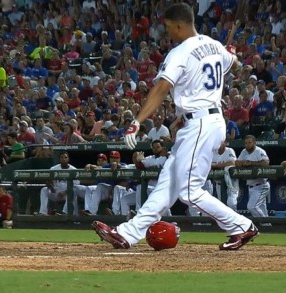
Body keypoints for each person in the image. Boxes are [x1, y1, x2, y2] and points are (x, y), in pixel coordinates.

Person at [92, 3, 258, 251]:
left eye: (169, 27)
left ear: (180, 25)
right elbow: (231, 62)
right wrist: (230, 52)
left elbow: (161, 89)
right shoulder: (214, 45)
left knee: (190, 192)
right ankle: (127, 233)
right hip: (204, 122)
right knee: (167, 184)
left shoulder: (180, 52)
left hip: (200, 123)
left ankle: (242, 226)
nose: (167, 32)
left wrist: (137, 121)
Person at [236, 135, 271, 217]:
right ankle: (267, 226)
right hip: (251, 185)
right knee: (262, 209)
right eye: (246, 143)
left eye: (250, 143)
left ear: (254, 143)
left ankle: (265, 223)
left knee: (252, 207)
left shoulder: (259, 151)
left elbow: (266, 163)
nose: (247, 144)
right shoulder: (244, 151)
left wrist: (251, 163)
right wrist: (243, 163)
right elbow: (237, 163)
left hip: (261, 184)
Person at [38, 151, 81, 216]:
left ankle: (65, 213)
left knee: (73, 192)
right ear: (59, 159)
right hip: (56, 192)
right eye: (62, 157)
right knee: (44, 189)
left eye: (65, 157)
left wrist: (65, 192)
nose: (64, 159)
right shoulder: (53, 168)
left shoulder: (73, 169)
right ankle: (43, 212)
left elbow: (75, 186)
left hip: (67, 194)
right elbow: (49, 181)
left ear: (68, 159)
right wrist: (51, 187)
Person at [211, 141, 239, 211]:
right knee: (222, 206)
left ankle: (235, 220)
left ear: (225, 144)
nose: (218, 145)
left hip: (231, 183)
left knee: (231, 203)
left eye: (220, 143)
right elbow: (209, 164)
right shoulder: (213, 153)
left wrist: (217, 165)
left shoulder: (229, 150)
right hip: (219, 183)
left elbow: (233, 162)